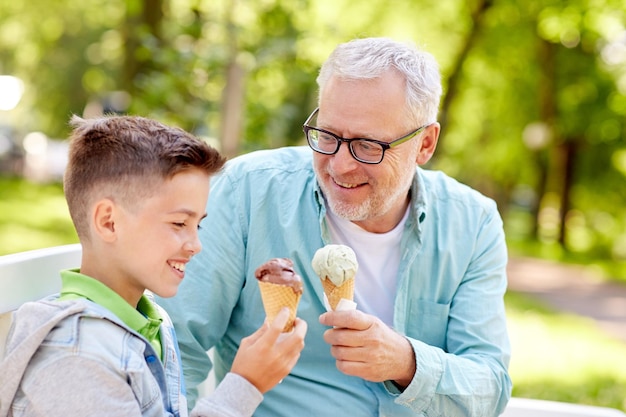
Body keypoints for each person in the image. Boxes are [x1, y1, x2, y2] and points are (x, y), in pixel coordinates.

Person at [157, 37, 512, 416]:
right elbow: (176, 348)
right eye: (327, 136)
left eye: (368, 145)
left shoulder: (472, 223)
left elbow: (490, 385)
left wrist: (407, 363)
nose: (340, 165)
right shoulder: (247, 192)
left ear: (425, 143)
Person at [0, 115, 307, 417]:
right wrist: (246, 384)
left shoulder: (151, 318)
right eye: (178, 223)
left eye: (197, 225)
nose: (196, 244)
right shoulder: (76, 358)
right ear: (109, 222)